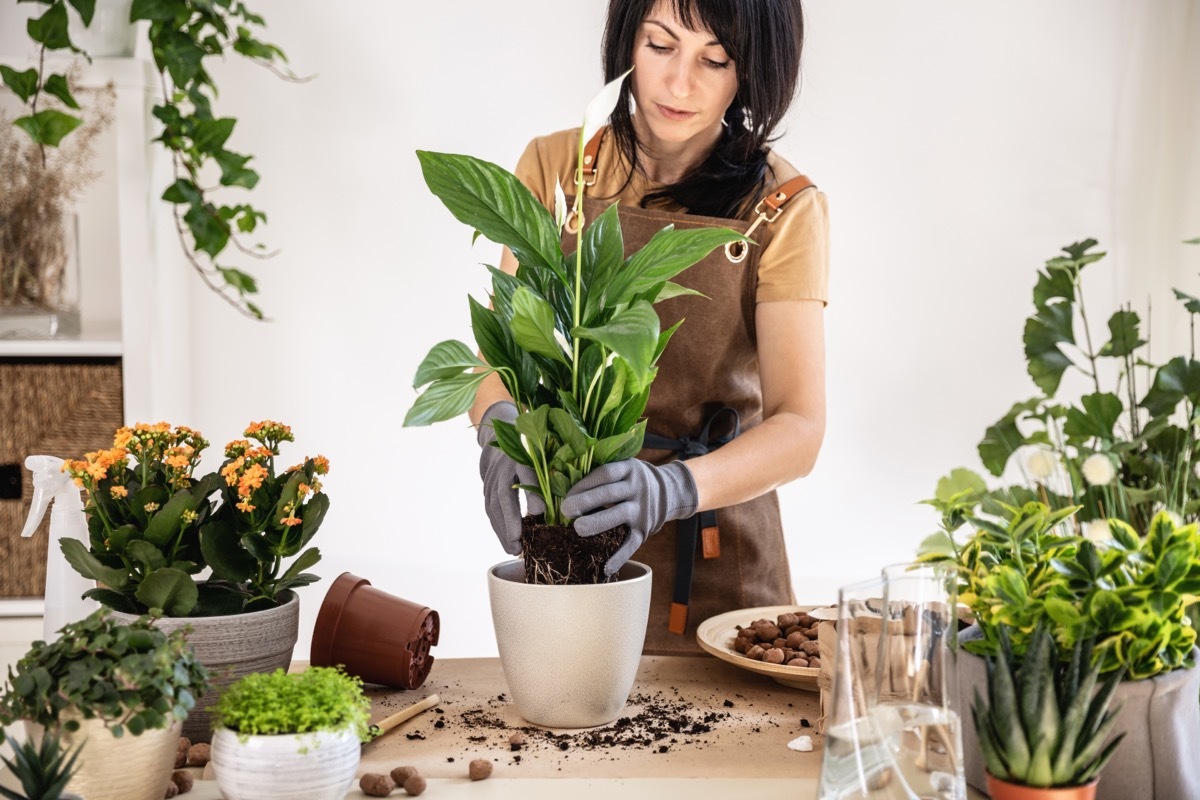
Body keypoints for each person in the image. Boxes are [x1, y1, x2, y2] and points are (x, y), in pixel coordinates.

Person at [471, 0, 828, 655]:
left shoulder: (783, 206)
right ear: (626, 39)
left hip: (723, 571)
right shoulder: (557, 169)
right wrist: (496, 423)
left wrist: (673, 488)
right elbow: (503, 350)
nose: (679, 82)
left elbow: (799, 427)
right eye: (660, 44)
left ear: (752, 71)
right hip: (575, 539)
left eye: (714, 59)